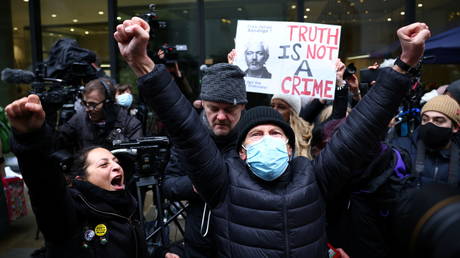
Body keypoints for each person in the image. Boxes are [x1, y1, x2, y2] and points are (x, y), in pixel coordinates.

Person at [115, 17, 429, 257]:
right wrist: (140, 62)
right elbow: (186, 130)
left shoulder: (314, 178)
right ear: (241, 153)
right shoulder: (223, 182)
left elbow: (359, 134)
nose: (267, 139)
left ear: (290, 147)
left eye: (275, 133)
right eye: (256, 135)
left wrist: (404, 65)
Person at [5, 95, 149, 258]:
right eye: (104, 164)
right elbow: (45, 187)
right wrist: (31, 139)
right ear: (82, 179)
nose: (116, 166)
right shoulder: (70, 215)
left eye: (115, 161)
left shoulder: (128, 206)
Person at [162, 63, 247, 258]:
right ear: (202, 104)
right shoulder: (189, 139)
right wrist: (194, 186)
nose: (221, 117)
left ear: (242, 106)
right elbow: (168, 185)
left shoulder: (253, 138)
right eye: (214, 108)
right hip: (198, 245)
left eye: (229, 109)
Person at [55, 77, 143, 155]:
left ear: (108, 104)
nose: (87, 109)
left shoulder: (130, 124)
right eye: (85, 103)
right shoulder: (80, 118)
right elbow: (57, 143)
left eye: (93, 104)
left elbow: (135, 157)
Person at [391, 95, 460, 186]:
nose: (429, 125)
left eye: (438, 120)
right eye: (425, 119)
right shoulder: (402, 148)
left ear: (455, 127)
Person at [270, 94, 313, 158]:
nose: (274, 110)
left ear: (292, 112)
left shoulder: (306, 135)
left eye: (281, 107)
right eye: (272, 106)